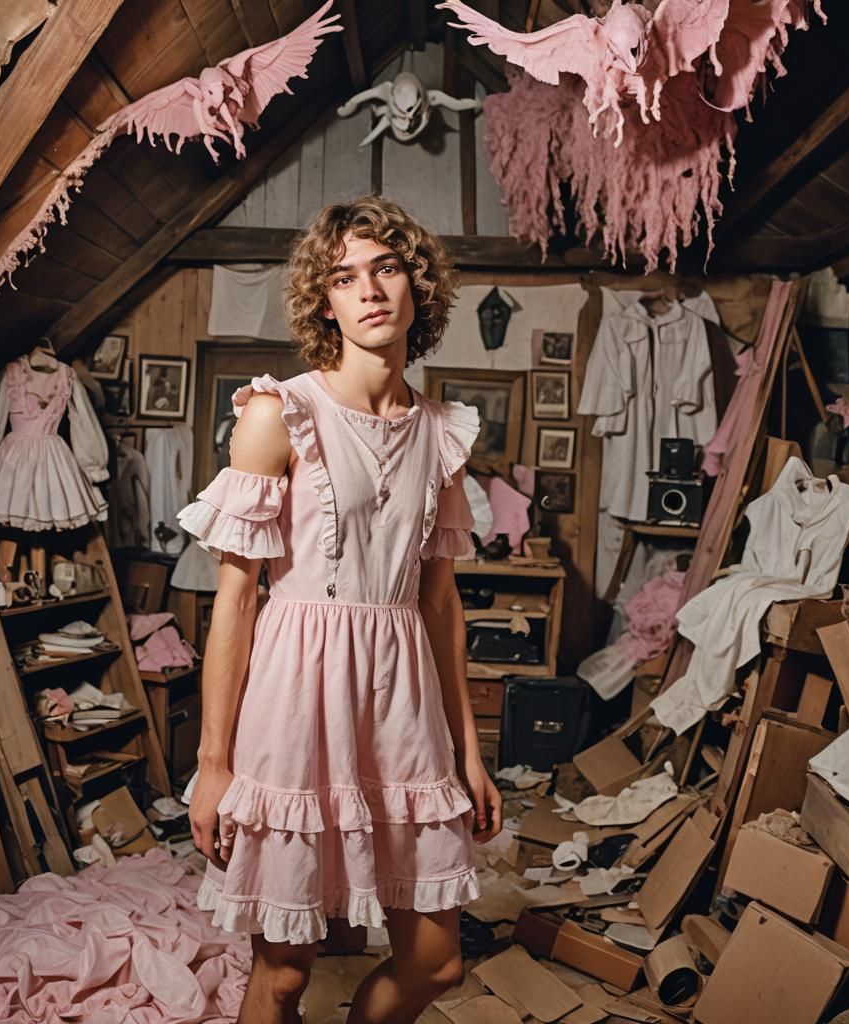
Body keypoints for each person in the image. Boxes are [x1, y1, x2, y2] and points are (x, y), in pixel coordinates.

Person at [179, 195, 502, 1024]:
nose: (369, 291)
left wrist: (469, 749)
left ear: (415, 284)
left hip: (404, 704)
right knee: (284, 973)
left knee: (437, 961)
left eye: (386, 268)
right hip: (294, 699)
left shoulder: (443, 434)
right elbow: (236, 602)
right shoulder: (276, 412)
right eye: (346, 277)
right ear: (325, 302)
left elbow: (440, 608)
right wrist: (214, 762)